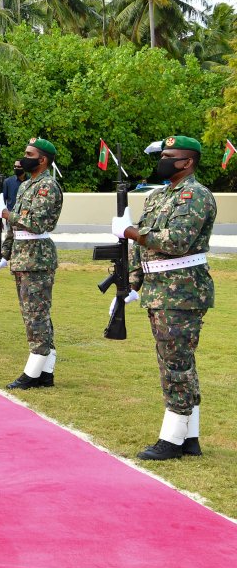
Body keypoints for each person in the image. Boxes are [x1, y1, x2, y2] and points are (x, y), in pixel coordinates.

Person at [116, 135, 216, 460]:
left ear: (187, 162)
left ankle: (172, 439)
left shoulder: (196, 195)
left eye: (170, 155)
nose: (163, 159)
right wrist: (133, 283)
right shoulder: (158, 196)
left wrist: (130, 231)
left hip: (183, 290)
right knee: (177, 361)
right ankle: (190, 438)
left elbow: (176, 241)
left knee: (176, 363)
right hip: (159, 290)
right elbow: (142, 244)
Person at [0, 138, 63, 389]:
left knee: (36, 315)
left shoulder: (47, 186)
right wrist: (5, 252)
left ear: (42, 160)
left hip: (37, 257)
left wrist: (7, 214)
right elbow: (15, 226)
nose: (24, 157)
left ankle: (33, 372)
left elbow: (36, 223)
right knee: (32, 313)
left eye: (29, 153)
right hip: (23, 256)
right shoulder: (26, 186)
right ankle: (46, 370)